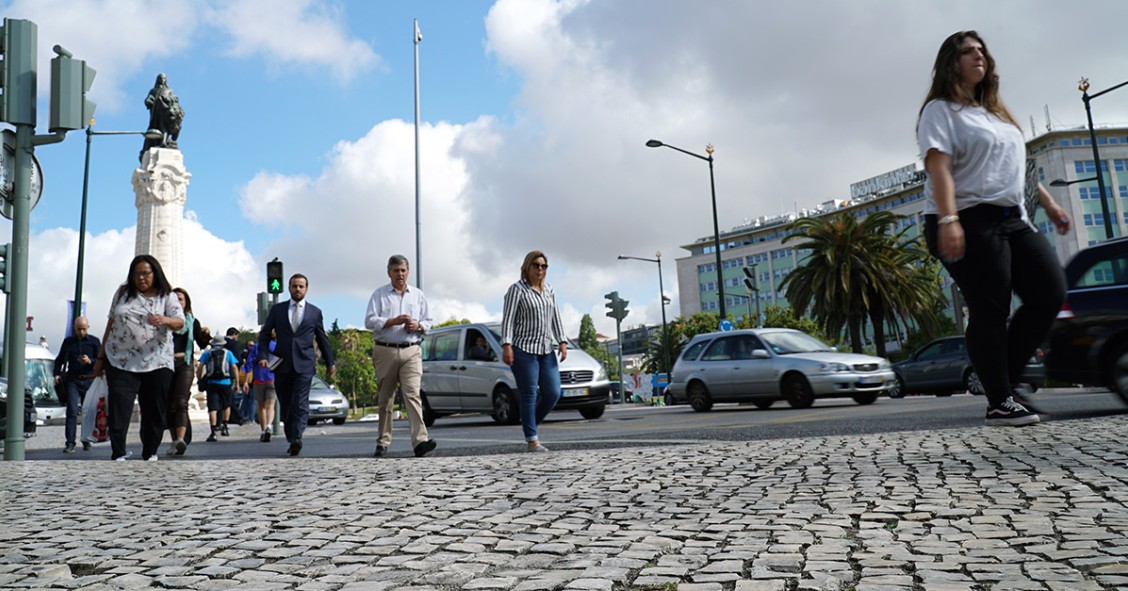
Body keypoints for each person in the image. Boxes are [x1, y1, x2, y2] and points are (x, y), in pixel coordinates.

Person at [917, 30, 1071, 428]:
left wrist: (1051, 205)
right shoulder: (940, 111)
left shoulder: (994, 114)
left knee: (1049, 291)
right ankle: (999, 401)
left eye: (982, 51)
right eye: (968, 52)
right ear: (951, 62)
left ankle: (1008, 381)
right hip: (966, 216)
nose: (978, 57)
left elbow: (1012, 167)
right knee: (991, 306)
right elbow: (939, 168)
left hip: (1011, 218)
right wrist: (950, 219)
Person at [93, 254, 185, 461]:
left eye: (145, 274)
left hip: (157, 360)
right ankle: (118, 451)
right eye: (136, 274)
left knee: (154, 408)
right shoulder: (123, 292)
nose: (141, 278)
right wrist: (100, 359)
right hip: (120, 359)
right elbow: (110, 323)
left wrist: (165, 320)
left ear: (155, 273)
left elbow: (181, 322)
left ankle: (150, 450)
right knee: (119, 405)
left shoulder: (167, 296)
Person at [364, 255, 437, 458]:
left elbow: (429, 322)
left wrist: (419, 326)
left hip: (411, 350)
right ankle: (383, 441)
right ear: (389, 273)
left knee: (413, 395)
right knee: (385, 398)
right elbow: (369, 321)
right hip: (385, 349)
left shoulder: (418, 295)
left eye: (403, 270)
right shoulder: (379, 295)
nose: (400, 274)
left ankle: (420, 441)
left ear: (408, 272)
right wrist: (391, 321)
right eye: (396, 270)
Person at [258, 274, 336, 456]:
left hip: (305, 364)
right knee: (285, 404)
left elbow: (322, 338)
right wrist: (263, 355)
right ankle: (291, 435)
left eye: (301, 286)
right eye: (294, 286)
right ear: (289, 288)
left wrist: (330, 361)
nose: (298, 289)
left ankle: (297, 438)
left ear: (306, 289)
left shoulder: (314, 312)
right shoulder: (278, 310)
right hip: (282, 363)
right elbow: (265, 335)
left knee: (300, 403)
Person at [501, 250, 568, 452]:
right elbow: (508, 319)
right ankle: (532, 440)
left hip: (546, 349)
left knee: (552, 393)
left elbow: (555, 317)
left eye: (544, 266)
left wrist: (562, 341)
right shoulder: (517, 290)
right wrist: (507, 345)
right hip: (523, 349)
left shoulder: (549, 290)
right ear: (527, 267)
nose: (540, 269)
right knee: (529, 394)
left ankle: (529, 424)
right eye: (536, 265)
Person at [166, 288, 211, 455]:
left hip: (185, 364)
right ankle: (173, 440)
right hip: (166, 364)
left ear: (186, 303)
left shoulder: (193, 321)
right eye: (174, 299)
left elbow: (202, 343)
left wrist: (206, 335)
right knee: (169, 404)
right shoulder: (165, 322)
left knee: (181, 402)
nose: (178, 302)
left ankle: (180, 439)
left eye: (180, 299)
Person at [53, 316, 102, 453]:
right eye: (79, 329)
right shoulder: (68, 342)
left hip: (88, 379)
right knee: (72, 411)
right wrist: (56, 374)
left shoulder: (94, 342)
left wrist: (90, 361)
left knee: (88, 412)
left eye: (84, 329)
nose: (81, 332)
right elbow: (59, 360)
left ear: (88, 327)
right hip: (73, 380)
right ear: (75, 328)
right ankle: (70, 443)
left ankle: (86, 440)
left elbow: (100, 360)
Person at [197, 336, 240, 442]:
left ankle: (213, 432)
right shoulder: (228, 353)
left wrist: (199, 379)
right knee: (226, 405)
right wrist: (237, 383)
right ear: (223, 344)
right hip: (226, 382)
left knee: (212, 407)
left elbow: (200, 366)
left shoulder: (207, 353)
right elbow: (234, 367)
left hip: (211, 383)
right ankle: (225, 427)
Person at [141, 72, 184, 159]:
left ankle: (166, 142)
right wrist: (149, 101)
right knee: (157, 128)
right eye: (161, 78)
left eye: (164, 78)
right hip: (156, 113)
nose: (162, 80)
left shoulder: (169, 91)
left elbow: (174, 100)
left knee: (168, 127)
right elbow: (148, 99)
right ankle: (159, 142)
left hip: (166, 112)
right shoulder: (153, 91)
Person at [245, 335, 278, 442]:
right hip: (272, 378)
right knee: (270, 406)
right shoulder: (275, 346)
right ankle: (269, 425)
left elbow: (249, 364)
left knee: (261, 407)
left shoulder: (255, 347)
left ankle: (263, 431)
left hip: (259, 379)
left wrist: (245, 381)